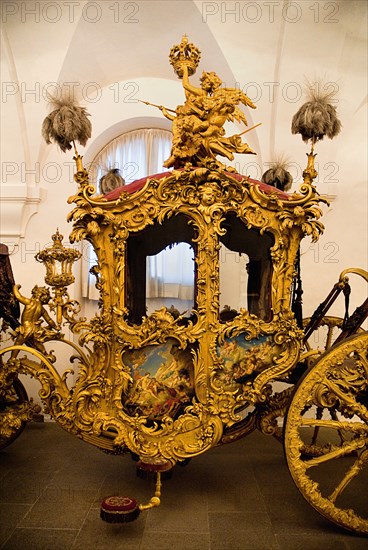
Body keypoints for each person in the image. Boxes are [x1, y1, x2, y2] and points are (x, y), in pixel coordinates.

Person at [11, 285, 58, 360]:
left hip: (26, 328)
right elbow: (49, 320)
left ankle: (12, 359)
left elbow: (18, 296)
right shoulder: (42, 309)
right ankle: (46, 355)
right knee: (37, 343)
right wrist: (55, 327)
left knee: (18, 343)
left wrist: (16, 287)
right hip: (35, 329)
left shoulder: (29, 302)